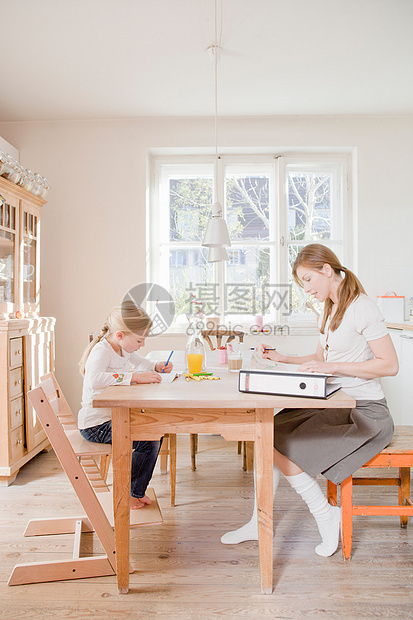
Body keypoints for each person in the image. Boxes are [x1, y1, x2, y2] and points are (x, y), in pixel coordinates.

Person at [221, 243, 398, 556]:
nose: (307, 290)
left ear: (327, 270)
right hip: (333, 400)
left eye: (308, 280)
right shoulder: (331, 307)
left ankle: (325, 514)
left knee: (279, 442)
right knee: (267, 430)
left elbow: (389, 364)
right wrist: (282, 358)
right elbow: (319, 357)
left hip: (364, 412)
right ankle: (258, 520)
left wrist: (331, 367)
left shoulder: (362, 307)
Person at [78, 300, 173, 509]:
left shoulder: (122, 348)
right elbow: (94, 379)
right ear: (120, 334)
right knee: (149, 439)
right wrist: (134, 377)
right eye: (140, 340)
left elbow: (141, 362)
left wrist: (157, 366)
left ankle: (134, 491)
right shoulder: (102, 350)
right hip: (95, 426)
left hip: (110, 418)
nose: (143, 344)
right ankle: (130, 493)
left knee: (154, 432)